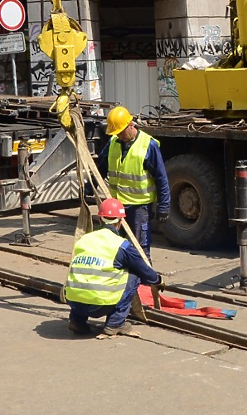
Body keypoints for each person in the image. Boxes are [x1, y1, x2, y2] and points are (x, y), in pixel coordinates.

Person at [64, 198, 164, 336]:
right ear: (120, 222)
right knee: (134, 275)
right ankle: (115, 323)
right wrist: (157, 280)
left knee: (85, 277)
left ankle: (77, 321)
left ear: (100, 220)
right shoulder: (121, 245)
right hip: (99, 305)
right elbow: (143, 270)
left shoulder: (84, 239)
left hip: (73, 302)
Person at [97, 106, 170, 262]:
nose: (119, 136)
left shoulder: (148, 145)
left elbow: (161, 177)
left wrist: (164, 206)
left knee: (140, 249)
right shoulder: (113, 142)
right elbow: (101, 167)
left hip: (139, 208)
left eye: (121, 132)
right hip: (117, 205)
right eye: (117, 133)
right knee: (115, 247)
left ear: (131, 125)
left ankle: (145, 276)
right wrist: (89, 186)